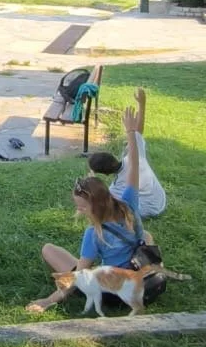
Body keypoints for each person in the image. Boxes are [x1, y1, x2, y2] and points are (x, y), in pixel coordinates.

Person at [26, 105, 154, 314]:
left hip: (115, 296)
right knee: (146, 235)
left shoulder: (94, 235)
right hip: (143, 286)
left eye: (82, 207)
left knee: (49, 249)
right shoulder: (129, 204)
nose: (79, 211)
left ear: (96, 205)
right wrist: (132, 133)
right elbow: (134, 165)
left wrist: (48, 300)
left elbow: (79, 276)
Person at [88, 86, 166, 218]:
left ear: (106, 174)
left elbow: (101, 202)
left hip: (149, 209)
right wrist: (142, 104)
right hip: (160, 199)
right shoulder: (134, 157)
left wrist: (92, 180)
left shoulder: (116, 189)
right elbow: (138, 133)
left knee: (116, 210)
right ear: (113, 157)